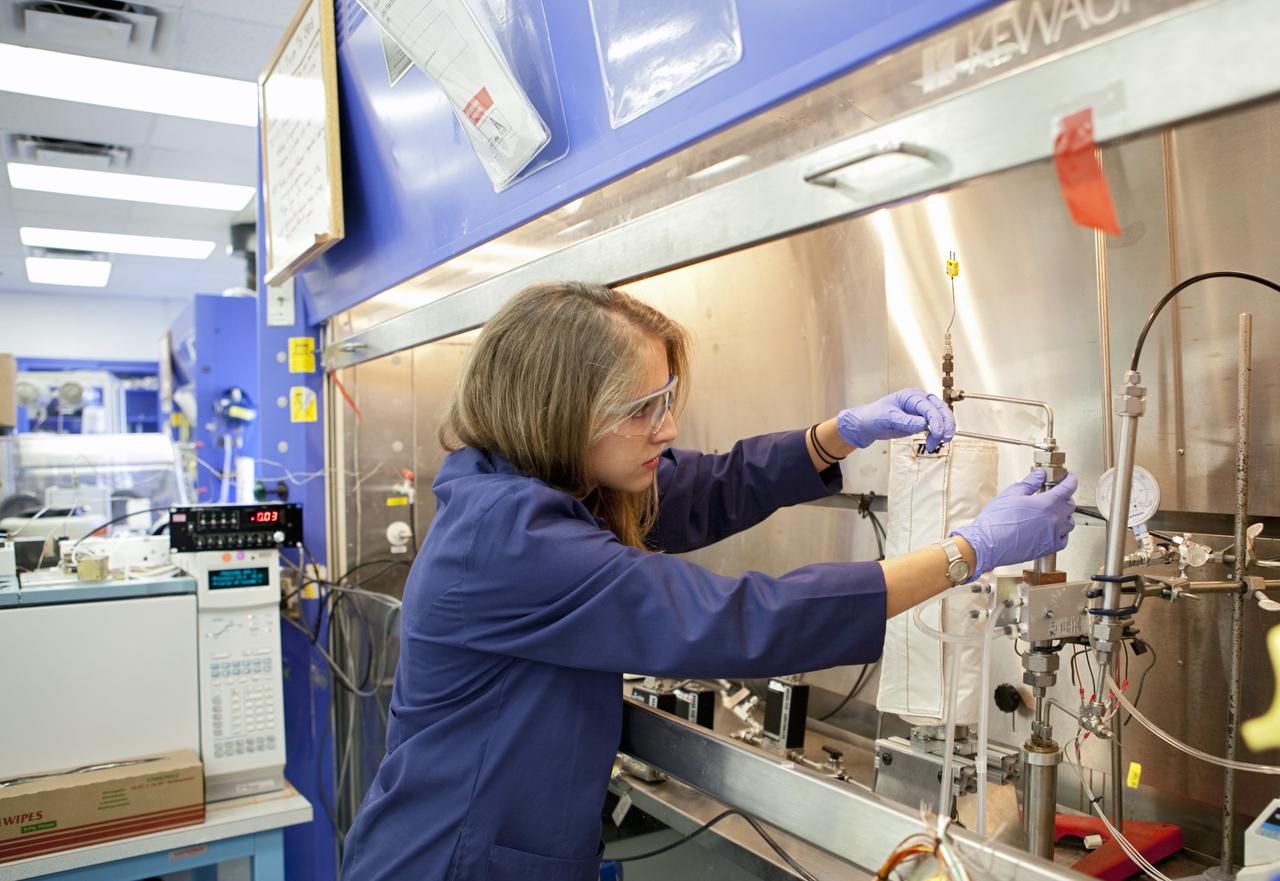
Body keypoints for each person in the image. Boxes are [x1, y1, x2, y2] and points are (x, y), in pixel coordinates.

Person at [341, 282, 1077, 881]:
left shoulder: (537, 480)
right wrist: (968, 551)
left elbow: (703, 486)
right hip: (448, 862)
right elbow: (740, 620)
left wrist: (838, 433)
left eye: (668, 400)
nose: (666, 428)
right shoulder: (510, 539)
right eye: (642, 409)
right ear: (557, 412)